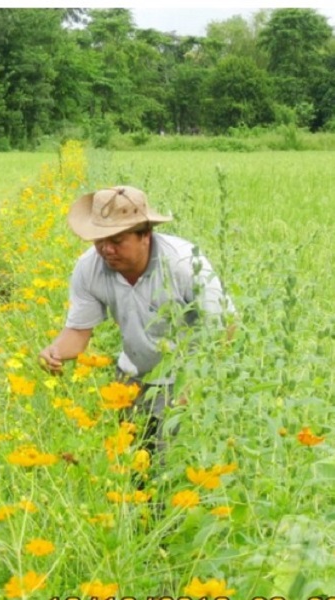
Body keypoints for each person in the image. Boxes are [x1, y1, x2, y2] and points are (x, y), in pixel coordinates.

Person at [37, 185, 234, 463]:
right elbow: (78, 332)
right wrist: (54, 352)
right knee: (131, 465)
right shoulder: (89, 267)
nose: (106, 249)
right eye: (99, 240)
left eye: (116, 240)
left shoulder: (184, 263)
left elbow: (226, 327)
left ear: (145, 235)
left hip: (183, 381)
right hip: (131, 379)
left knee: (172, 465)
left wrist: (195, 385)